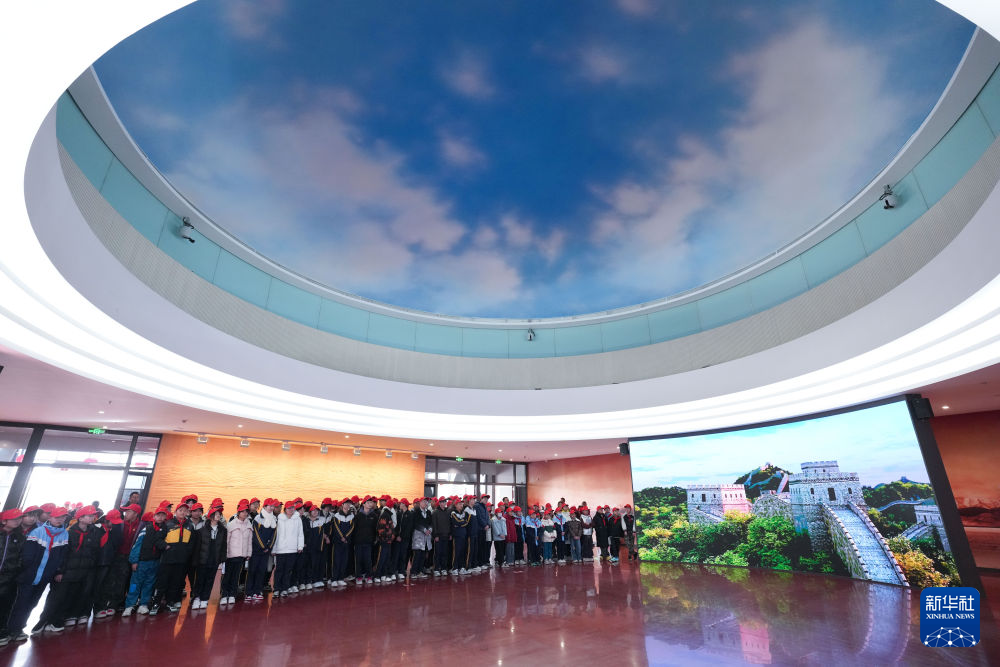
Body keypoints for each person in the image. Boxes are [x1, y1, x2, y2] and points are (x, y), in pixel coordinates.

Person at [36, 504, 101, 631]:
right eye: (89, 516)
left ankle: (57, 621)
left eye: (92, 515)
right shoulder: (69, 532)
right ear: (80, 518)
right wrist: (59, 571)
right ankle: (44, 621)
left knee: (69, 598)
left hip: (82, 572)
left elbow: (94, 552)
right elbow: (62, 554)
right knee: (56, 597)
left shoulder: (92, 533)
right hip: (66, 572)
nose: (92, 518)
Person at [10, 507, 68, 642]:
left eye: (63, 517)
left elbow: (62, 556)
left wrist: (57, 571)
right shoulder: (38, 532)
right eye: (57, 517)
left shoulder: (64, 534)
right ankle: (12, 629)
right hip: (29, 575)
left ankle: (19, 627)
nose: (60, 520)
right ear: (50, 517)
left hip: (45, 577)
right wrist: (27, 571)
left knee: (32, 603)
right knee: (21, 603)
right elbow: (27, 556)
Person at [152, 502, 195, 614]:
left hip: (181, 560)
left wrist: (187, 553)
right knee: (162, 582)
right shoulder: (168, 524)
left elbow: (191, 542)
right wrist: (165, 546)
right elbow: (158, 539)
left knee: (175, 582)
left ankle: (170, 602)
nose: (183, 512)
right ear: (176, 512)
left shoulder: (190, 526)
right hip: (167, 559)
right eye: (180, 510)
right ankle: (156, 603)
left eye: (185, 511)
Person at [121, 510, 163, 615]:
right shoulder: (146, 529)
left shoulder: (163, 530)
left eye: (163, 516)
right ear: (154, 516)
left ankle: (143, 604)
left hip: (154, 563)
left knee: (149, 585)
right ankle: (129, 605)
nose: (160, 518)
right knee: (134, 584)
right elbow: (137, 546)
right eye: (158, 515)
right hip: (141, 562)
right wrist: (134, 561)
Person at [191, 505, 227, 609]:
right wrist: (196, 560)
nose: (218, 516)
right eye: (216, 514)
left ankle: (205, 599)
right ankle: (197, 598)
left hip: (215, 559)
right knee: (200, 579)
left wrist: (222, 558)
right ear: (210, 516)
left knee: (210, 579)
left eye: (219, 514)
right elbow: (198, 547)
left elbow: (224, 545)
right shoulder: (202, 530)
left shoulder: (223, 530)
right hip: (203, 559)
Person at [91, 508, 123, 618]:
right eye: (113, 522)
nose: (115, 524)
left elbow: (116, 544)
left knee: (105, 585)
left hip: (108, 561)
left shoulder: (115, 530)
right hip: (96, 562)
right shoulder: (96, 529)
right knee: (94, 586)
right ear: (106, 520)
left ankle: (100, 607)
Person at [0, 508, 25, 644]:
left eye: (19, 518)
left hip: (9, 578)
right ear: (4, 521)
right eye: (14, 519)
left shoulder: (20, 537)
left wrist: (16, 570)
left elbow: (22, 557)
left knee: (5, 605)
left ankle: (1, 631)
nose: (17, 521)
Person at [246, 499, 277, 601]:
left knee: (261, 571)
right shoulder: (258, 519)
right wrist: (263, 546)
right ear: (264, 507)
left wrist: (269, 547)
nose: (271, 508)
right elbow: (256, 534)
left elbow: (274, 535)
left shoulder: (274, 519)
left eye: (273, 506)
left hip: (266, 551)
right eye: (270, 506)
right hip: (256, 550)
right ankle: (249, 592)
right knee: (252, 570)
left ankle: (258, 591)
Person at [222, 500, 251, 604]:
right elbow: (226, 540)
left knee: (236, 576)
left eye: (246, 512)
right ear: (238, 512)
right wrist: (225, 553)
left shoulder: (249, 524)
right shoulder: (231, 524)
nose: (245, 513)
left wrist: (248, 553)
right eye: (243, 511)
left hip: (241, 555)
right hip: (231, 555)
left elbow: (249, 541)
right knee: (227, 576)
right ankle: (224, 594)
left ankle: (232, 594)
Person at [273, 500, 304, 597]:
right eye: (289, 508)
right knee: (279, 570)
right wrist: (274, 549)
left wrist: (300, 546)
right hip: (280, 549)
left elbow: (300, 533)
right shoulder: (279, 519)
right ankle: (276, 589)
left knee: (288, 570)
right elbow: (276, 535)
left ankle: (284, 589)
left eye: (292, 508)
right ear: (285, 509)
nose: (291, 510)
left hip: (292, 549)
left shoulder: (297, 519)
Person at [303, 504, 330, 588]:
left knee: (319, 563)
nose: (315, 512)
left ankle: (318, 579)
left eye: (317, 511)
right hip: (309, 546)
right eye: (313, 510)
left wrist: (326, 538)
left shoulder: (321, 520)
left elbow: (323, 532)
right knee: (310, 564)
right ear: (310, 512)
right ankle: (310, 580)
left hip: (319, 545)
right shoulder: (306, 521)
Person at [352, 497, 377, 585]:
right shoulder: (358, 516)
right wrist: (354, 540)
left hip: (369, 542)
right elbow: (354, 529)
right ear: (364, 504)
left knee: (368, 560)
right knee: (358, 560)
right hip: (358, 542)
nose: (370, 504)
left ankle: (368, 576)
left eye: (371, 502)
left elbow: (375, 529)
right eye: (368, 502)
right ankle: (358, 577)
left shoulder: (374, 516)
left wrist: (375, 538)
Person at [330, 500, 354, 587]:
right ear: (342, 505)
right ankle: (334, 579)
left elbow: (352, 528)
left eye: (349, 504)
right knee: (336, 560)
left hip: (346, 542)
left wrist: (346, 537)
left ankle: (340, 578)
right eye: (346, 504)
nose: (347, 505)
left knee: (344, 560)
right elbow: (336, 528)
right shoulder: (336, 516)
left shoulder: (352, 516)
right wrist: (342, 537)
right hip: (337, 542)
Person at [431, 497, 451, 576]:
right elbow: (434, 524)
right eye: (442, 502)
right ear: (439, 503)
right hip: (438, 536)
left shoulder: (448, 511)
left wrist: (450, 534)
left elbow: (450, 523)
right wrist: (435, 535)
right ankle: (436, 569)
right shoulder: (435, 512)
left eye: (444, 502)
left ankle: (443, 568)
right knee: (437, 553)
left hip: (446, 535)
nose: (443, 503)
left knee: (445, 553)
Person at [394, 498, 414, 580]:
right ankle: (395, 570)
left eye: (401, 503)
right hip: (397, 538)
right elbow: (396, 526)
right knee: (396, 555)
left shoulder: (410, 515)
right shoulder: (398, 514)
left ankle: (401, 571)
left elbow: (409, 528)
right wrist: (397, 535)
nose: (400, 505)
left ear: (405, 505)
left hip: (405, 539)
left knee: (403, 555)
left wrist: (401, 536)